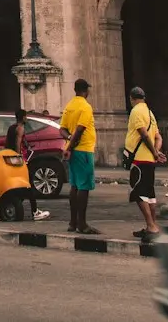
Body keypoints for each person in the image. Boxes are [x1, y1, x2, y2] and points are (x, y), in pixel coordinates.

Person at [58, 79, 99, 235]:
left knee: (75, 186)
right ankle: (82, 224)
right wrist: (71, 145)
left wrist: (68, 143)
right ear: (85, 91)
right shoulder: (85, 107)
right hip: (84, 150)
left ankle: (73, 222)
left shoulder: (69, 106)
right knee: (84, 187)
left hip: (74, 151)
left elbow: (62, 130)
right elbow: (80, 130)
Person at [124, 86, 162, 240]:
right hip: (150, 160)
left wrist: (154, 152)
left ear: (132, 98)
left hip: (140, 158)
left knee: (138, 193)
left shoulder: (136, 111)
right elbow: (158, 137)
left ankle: (151, 227)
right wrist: (157, 152)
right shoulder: (150, 113)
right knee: (149, 195)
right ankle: (152, 225)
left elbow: (144, 135)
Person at [6, 109, 50, 220]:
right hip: (19, 162)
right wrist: (20, 159)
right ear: (23, 117)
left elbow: (7, 144)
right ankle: (35, 212)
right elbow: (17, 144)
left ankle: (6, 209)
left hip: (11, 161)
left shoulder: (11, 128)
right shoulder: (20, 128)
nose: (26, 118)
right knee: (29, 186)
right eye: (25, 117)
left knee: (16, 188)